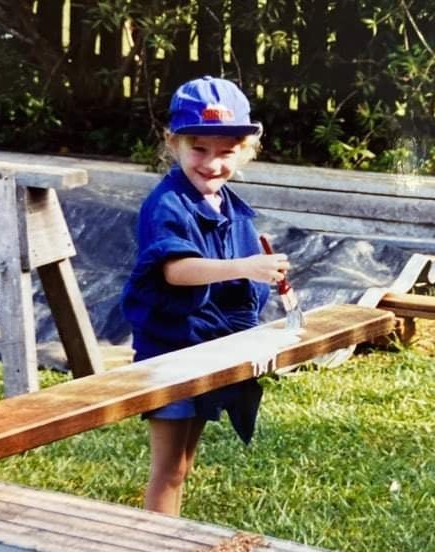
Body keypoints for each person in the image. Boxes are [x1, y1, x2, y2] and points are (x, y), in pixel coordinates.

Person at [121, 76, 290, 515]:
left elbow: (241, 272)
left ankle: (169, 539)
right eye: (199, 148)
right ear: (172, 143)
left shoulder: (227, 203)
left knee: (183, 465)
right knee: (167, 468)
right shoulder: (167, 204)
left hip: (207, 347)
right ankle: (154, 544)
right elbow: (176, 271)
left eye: (226, 152)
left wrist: (259, 265)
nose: (212, 163)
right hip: (170, 349)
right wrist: (242, 266)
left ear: (244, 151)